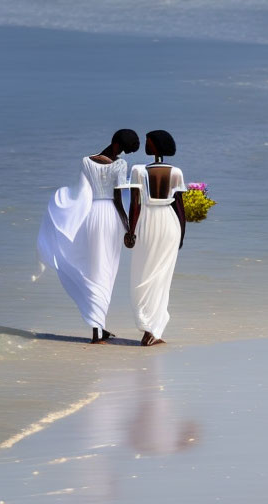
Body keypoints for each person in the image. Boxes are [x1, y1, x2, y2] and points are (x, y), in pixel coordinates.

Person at [38, 129, 139, 343]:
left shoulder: (86, 161)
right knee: (107, 271)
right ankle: (97, 330)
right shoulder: (120, 165)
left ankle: (98, 327)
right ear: (116, 145)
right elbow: (119, 198)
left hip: (91, 214)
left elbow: (80, 192)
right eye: (123, 149)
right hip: (111, 215)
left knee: (94, 269)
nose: (122, 154)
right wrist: (129, 227)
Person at [126, 130, 186, 346]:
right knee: (161, 277)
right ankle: (154, 330)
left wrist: (131, 231)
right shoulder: (176, 172)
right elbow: (179, 207)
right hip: (170, 224)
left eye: (149, 141)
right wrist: (182, 233)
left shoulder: (137, 170)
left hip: (148, 222)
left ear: (157, 145)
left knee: (142, 275)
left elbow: (135, 204)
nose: (145, 144)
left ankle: (150, 329)